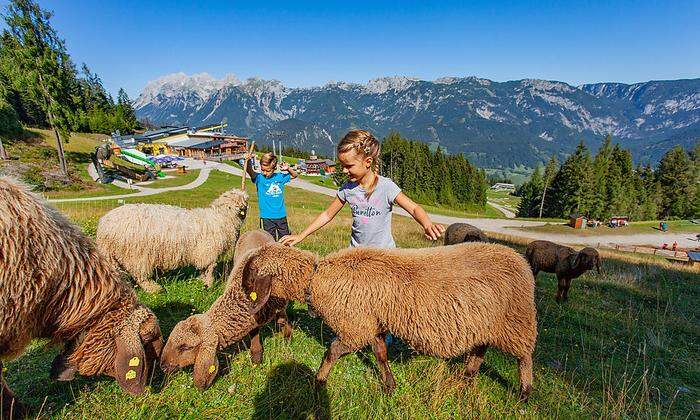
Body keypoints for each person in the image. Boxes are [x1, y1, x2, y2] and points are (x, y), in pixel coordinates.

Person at [279, 129, 445, 248]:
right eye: (342, 165)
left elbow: (414, 208)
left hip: (385, 257)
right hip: (357, 257)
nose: (344, 170)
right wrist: (301, 236)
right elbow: (327, 214)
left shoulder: (386, 187)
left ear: (368, 162)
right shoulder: (347, 189)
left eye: (349, 166)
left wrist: (427, 224)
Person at [243, 152, 297, 240]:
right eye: (262, 170)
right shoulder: (259, 178)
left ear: (274, 168)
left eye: (268, 171)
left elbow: (294, 175)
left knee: (285, 241)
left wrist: (288, 168)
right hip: (266, 218)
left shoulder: (280, 177)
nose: (264, 173)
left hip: (281, 216)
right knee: (268, 242)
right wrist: (248, 161)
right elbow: (250, 171)